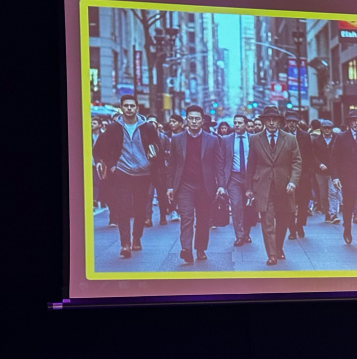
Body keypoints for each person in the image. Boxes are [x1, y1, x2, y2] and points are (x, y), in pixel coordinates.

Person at [91, 94, 164, 258]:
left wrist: (155, 167)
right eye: (126, 106)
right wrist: (112, 165)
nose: (129, 108)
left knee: (139, 208)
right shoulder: (113, 128)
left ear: (137, 108)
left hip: (143, 173)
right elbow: (99, 149)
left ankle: (136, 237)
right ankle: (125, 244)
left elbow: (157, 149)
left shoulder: (147, 127)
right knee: (122, 208)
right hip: (122, 172)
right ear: (122, 108)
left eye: (132, 106)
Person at [167, 104, 226, 263]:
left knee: (203, 219)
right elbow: (172, 164)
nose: (194, 121)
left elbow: (218, 164)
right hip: (185, 185)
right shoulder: (177, 139)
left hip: (205, 186)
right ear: (186, 120)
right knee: (186, 217)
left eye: (197, 119)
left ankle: (200, 249)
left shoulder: (212, 140)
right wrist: (170, 186)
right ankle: (186, 249)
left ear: (202, 122)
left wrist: (221, 185)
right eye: (191, 118)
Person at [245, 106, 302, 265]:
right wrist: (249, 188)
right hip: (263, 187)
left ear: (279, 121)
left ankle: (278, 247)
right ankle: (271, 254)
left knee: (283, 219)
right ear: (263, 121)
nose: (271, 123)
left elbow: (297, 162)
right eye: (268, 120)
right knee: (267, 220)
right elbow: (251, 165)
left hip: (284, 186)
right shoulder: (255, 139)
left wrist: (293, 181)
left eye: (274, 120)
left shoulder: (290, 139)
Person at [331, 109, 357, 249]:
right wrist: (335, 177)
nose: (356, 123)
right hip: (348, 179)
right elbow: (334, 159)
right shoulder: (341, 137)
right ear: (349, 122)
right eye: (353, 120)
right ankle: (347, 229)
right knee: (348, 207)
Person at [222, 114, 253, 247]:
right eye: (235, 122)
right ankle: (239, 235)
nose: (237, 125)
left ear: (246, 125)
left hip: (250, 178)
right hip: (234, 177)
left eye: (240, 123)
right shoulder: (226, 140)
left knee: (249, 207)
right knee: (236, 206)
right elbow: (222, 160)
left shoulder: (254, 139)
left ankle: (247, 233)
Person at [284, 112, 317, 239]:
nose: (292, 124)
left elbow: (310, 154)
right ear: (286, 122)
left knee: (303, 202)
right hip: (287, 174)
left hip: (303, 174)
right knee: (289, 202)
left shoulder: (305, 135)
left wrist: (309, 172)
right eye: (289, 121)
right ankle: (292, 229)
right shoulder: (282, 135)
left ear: (297, 123)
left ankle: (300, 225)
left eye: (294, 121)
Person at [312, 119, 340, 224]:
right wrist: (319, 164)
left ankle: (333, 214)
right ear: (321, 129)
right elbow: (313, 155)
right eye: (325, 128)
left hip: (333, 171)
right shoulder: (316, 140)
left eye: (329, 128)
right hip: (320, 172)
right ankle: (327, 212)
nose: (327, 130)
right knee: (323, 195)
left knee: (333, 192)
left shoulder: (337, 139)